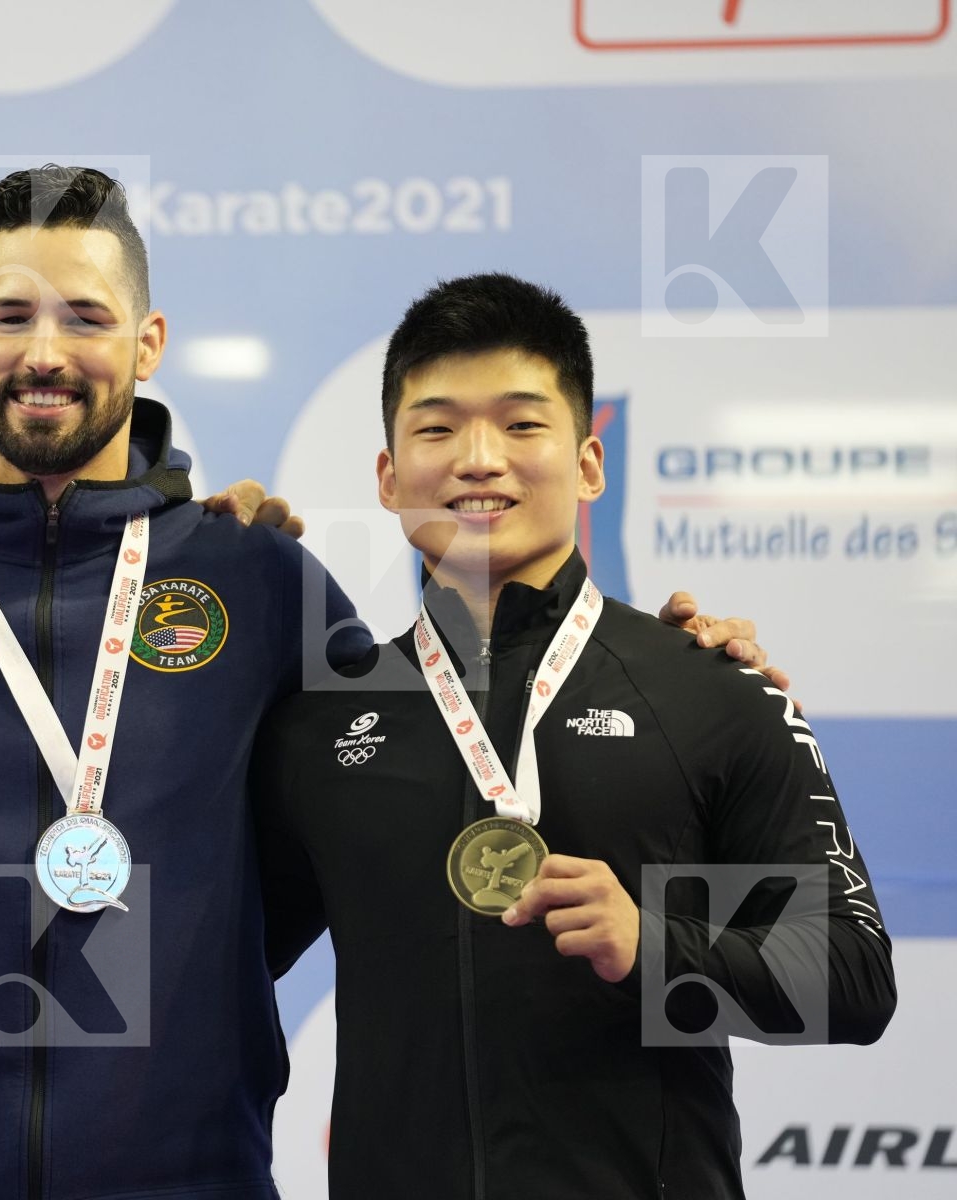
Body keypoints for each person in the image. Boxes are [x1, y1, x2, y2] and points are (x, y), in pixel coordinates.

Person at [0, 169, 774, 1200]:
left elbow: (443, 755)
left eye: (86, 316)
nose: (45, 352)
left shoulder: (260, 581)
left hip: (190, 1176)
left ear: (147, 342)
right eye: (11, 315)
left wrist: (673, 667)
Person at [254, 273, 896, 1200]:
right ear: (390, 478)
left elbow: (853, 975)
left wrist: (657, 946)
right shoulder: (326, 721)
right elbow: (219, 959)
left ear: (589, 464)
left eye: (522, 424)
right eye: (437, 429)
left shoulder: (707, 690)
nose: (479, 459)